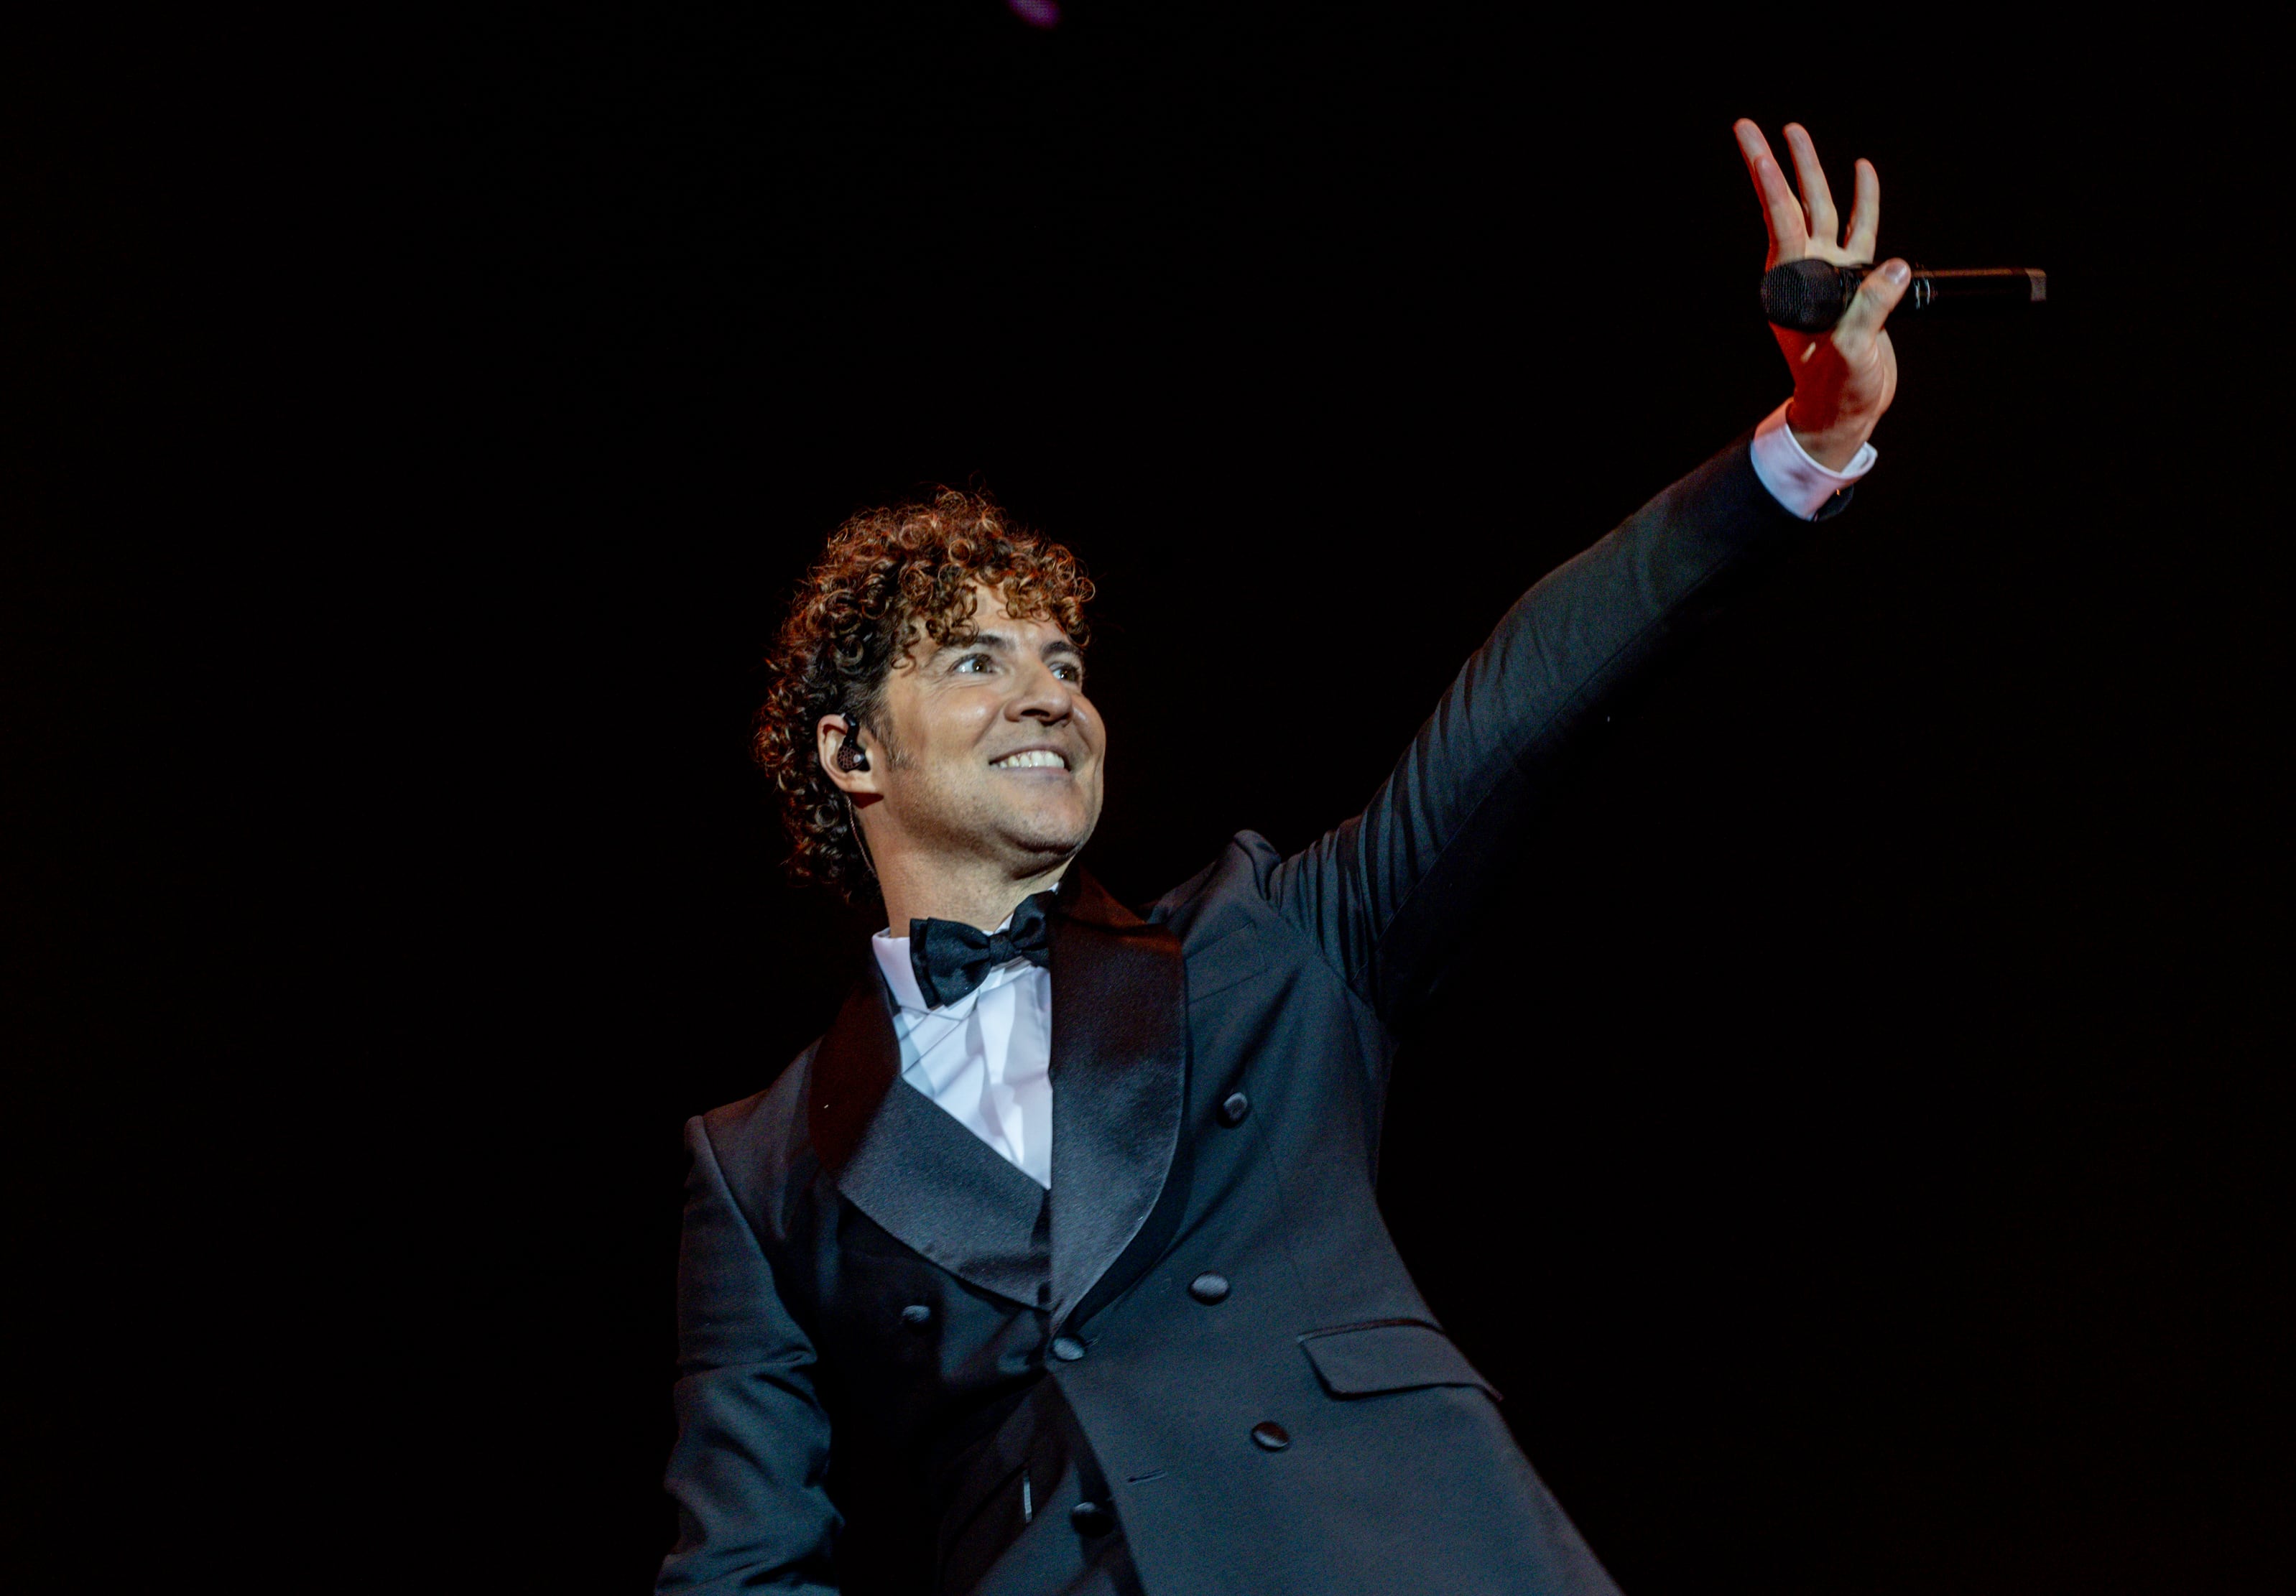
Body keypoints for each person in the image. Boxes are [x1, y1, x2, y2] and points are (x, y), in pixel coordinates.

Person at [657, 119, 1907, 1596]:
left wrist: (1797, 451)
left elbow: (1517, 703)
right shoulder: (757, 1162)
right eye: (976, 662)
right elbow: (743, 1564)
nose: (1048, 691)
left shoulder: (1261, 943)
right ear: (853, 756)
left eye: (1063, 657)